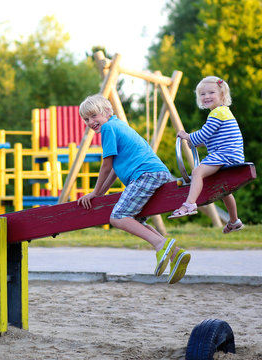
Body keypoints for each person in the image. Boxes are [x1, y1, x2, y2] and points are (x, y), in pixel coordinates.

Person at [77, 94, 190, 284]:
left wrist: (95, 192)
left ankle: (161, 244)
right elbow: (114, 168)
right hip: (153, 173)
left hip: (146, 174)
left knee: (118, 217)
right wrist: (101, 193)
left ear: (106, 112)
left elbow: (106, 165)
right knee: (134, 219)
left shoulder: (109, 128)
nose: (90, 122)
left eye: (93, 116)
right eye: (86, 119)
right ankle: (175, 255)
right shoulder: (117, 125)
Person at [168, 76, 245, 234]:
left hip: (225, 154)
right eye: (203, 94)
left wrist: (187, 136)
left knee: (197, 172)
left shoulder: (218, 113)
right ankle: (234, 221)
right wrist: (197, 143)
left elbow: (203, 134)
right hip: (230, 154)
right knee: (224, 190)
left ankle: (189, 204)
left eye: (211, 92)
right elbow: (212, 138)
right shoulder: (223, 113)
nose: (207, 96)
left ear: (222, 95)